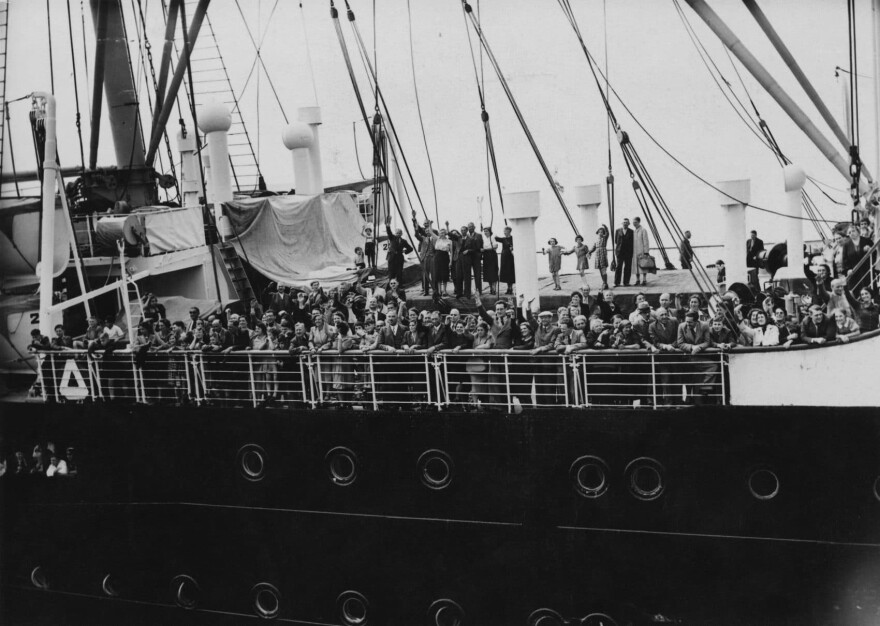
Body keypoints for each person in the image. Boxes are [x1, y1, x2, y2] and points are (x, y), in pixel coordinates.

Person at [841, 223, 875, 291]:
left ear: (858, 231)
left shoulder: (867, 241)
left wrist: (870, 250)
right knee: (855, 290)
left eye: (853, 231)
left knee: (868, 288)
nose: (851, 233)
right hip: (853, 272)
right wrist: (848, 269)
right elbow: (845, 259)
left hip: (866, 270)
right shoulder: (846, 244)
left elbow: (875, 253)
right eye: (849, 232)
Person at [412, 211, 437, 296]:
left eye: (428, 230)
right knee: (425, 275)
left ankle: (435, 290)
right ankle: (426, 291)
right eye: (426, 231)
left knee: (434, 275)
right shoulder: (423, 238)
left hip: (433, 258)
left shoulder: (435, 237)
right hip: (425, 258)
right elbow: (416, 234)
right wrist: (415, 227)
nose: (427, 231)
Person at [384, 216, 413, 285]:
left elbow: (410, 248)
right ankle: (391, 289)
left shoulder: (404, 241)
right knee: (391, 274)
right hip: (391, 258)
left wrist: (404, 251)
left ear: (401, 234)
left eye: (399, 233)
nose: (398, 234)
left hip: (399, 259)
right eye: (397, 233)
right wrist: (388, 225)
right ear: (395, 233)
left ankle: (399, 288)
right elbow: (389, 231)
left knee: (399, 275)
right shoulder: (392, 238)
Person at [460, 222, 484, 296]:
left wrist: (480, 254)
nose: (470, 228)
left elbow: (480, 247)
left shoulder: (479, 236)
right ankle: (467, 292)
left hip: (476, 258)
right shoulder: (465, 236)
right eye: (469, 227)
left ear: (474, 227)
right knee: (467, 275)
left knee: (477, 275)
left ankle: (478, 291)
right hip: (468, 258)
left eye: (471, 227)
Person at [589, 225, 610, 291]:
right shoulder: (596, 241)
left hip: (603, 254)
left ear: (603, 233)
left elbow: (608, 233)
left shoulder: (604, 238)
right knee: (600, 270)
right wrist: (589, 252)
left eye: (602, 232)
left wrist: (605, 227)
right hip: (597, 255)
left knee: (603, 270)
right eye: (599, 232)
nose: (600, 233)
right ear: (597, 233)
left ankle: (605, 283)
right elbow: (593, 248)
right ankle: (604, 283)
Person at [613, 218, 634, 287]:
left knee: (627, 267)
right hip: (620, 252)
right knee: (618, 267)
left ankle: (626, 282)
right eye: (624, 222)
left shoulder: (631, 232)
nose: (625, 223)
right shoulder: (618, 230)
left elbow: (632, 242)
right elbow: (616, 241)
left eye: (626, 222)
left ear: (629, 224)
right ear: (622, 223)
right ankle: (616, 282)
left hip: (628, 252)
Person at [631, 217, 651, 286]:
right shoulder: (634, 231)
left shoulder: (643, 230)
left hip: (641, 251)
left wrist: (646, 251)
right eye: (633, 222)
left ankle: (644, 279)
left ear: (639, 222)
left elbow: (646, 241)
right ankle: (637, 280)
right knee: (636, 266)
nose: (634, 224)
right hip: (634, 251)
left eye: (636, 222)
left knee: (643, 265)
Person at [495, 226, 515, 295]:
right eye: (504, 231)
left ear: (509, 231)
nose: (504, 232)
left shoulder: (513, 238)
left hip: (511, 257)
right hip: (504, 257)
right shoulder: (503, 239)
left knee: (511, 272)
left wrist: (513, 247)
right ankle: (508, 288)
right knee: (506, 272)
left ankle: (511, 288)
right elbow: (496, 238)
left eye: (505, 231)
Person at [433, 228, 453, 296]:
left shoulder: (449, 241)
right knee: (438, 275)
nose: (442, 234)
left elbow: (451, 252)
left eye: (443, 233)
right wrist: (430, 225)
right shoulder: (437, 239)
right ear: (439, 233)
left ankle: (444, 290)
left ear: (445, 233)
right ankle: (439, 291)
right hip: (437, 257)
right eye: (441, 233)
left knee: (444, 275)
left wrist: (450, 262)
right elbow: (431, 232)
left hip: (445, 258)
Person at [481, 227, 500, 295]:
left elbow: (495, 246)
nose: (485, 232)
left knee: (493, 272)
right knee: (488, 273)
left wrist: (486, 249)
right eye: (484, 231)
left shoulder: (493, 237)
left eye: (487, 231)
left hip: (492, 255)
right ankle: (491, 289)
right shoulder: (483, 238)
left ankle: (494, 288)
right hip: (486, 256)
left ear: (490, 232)